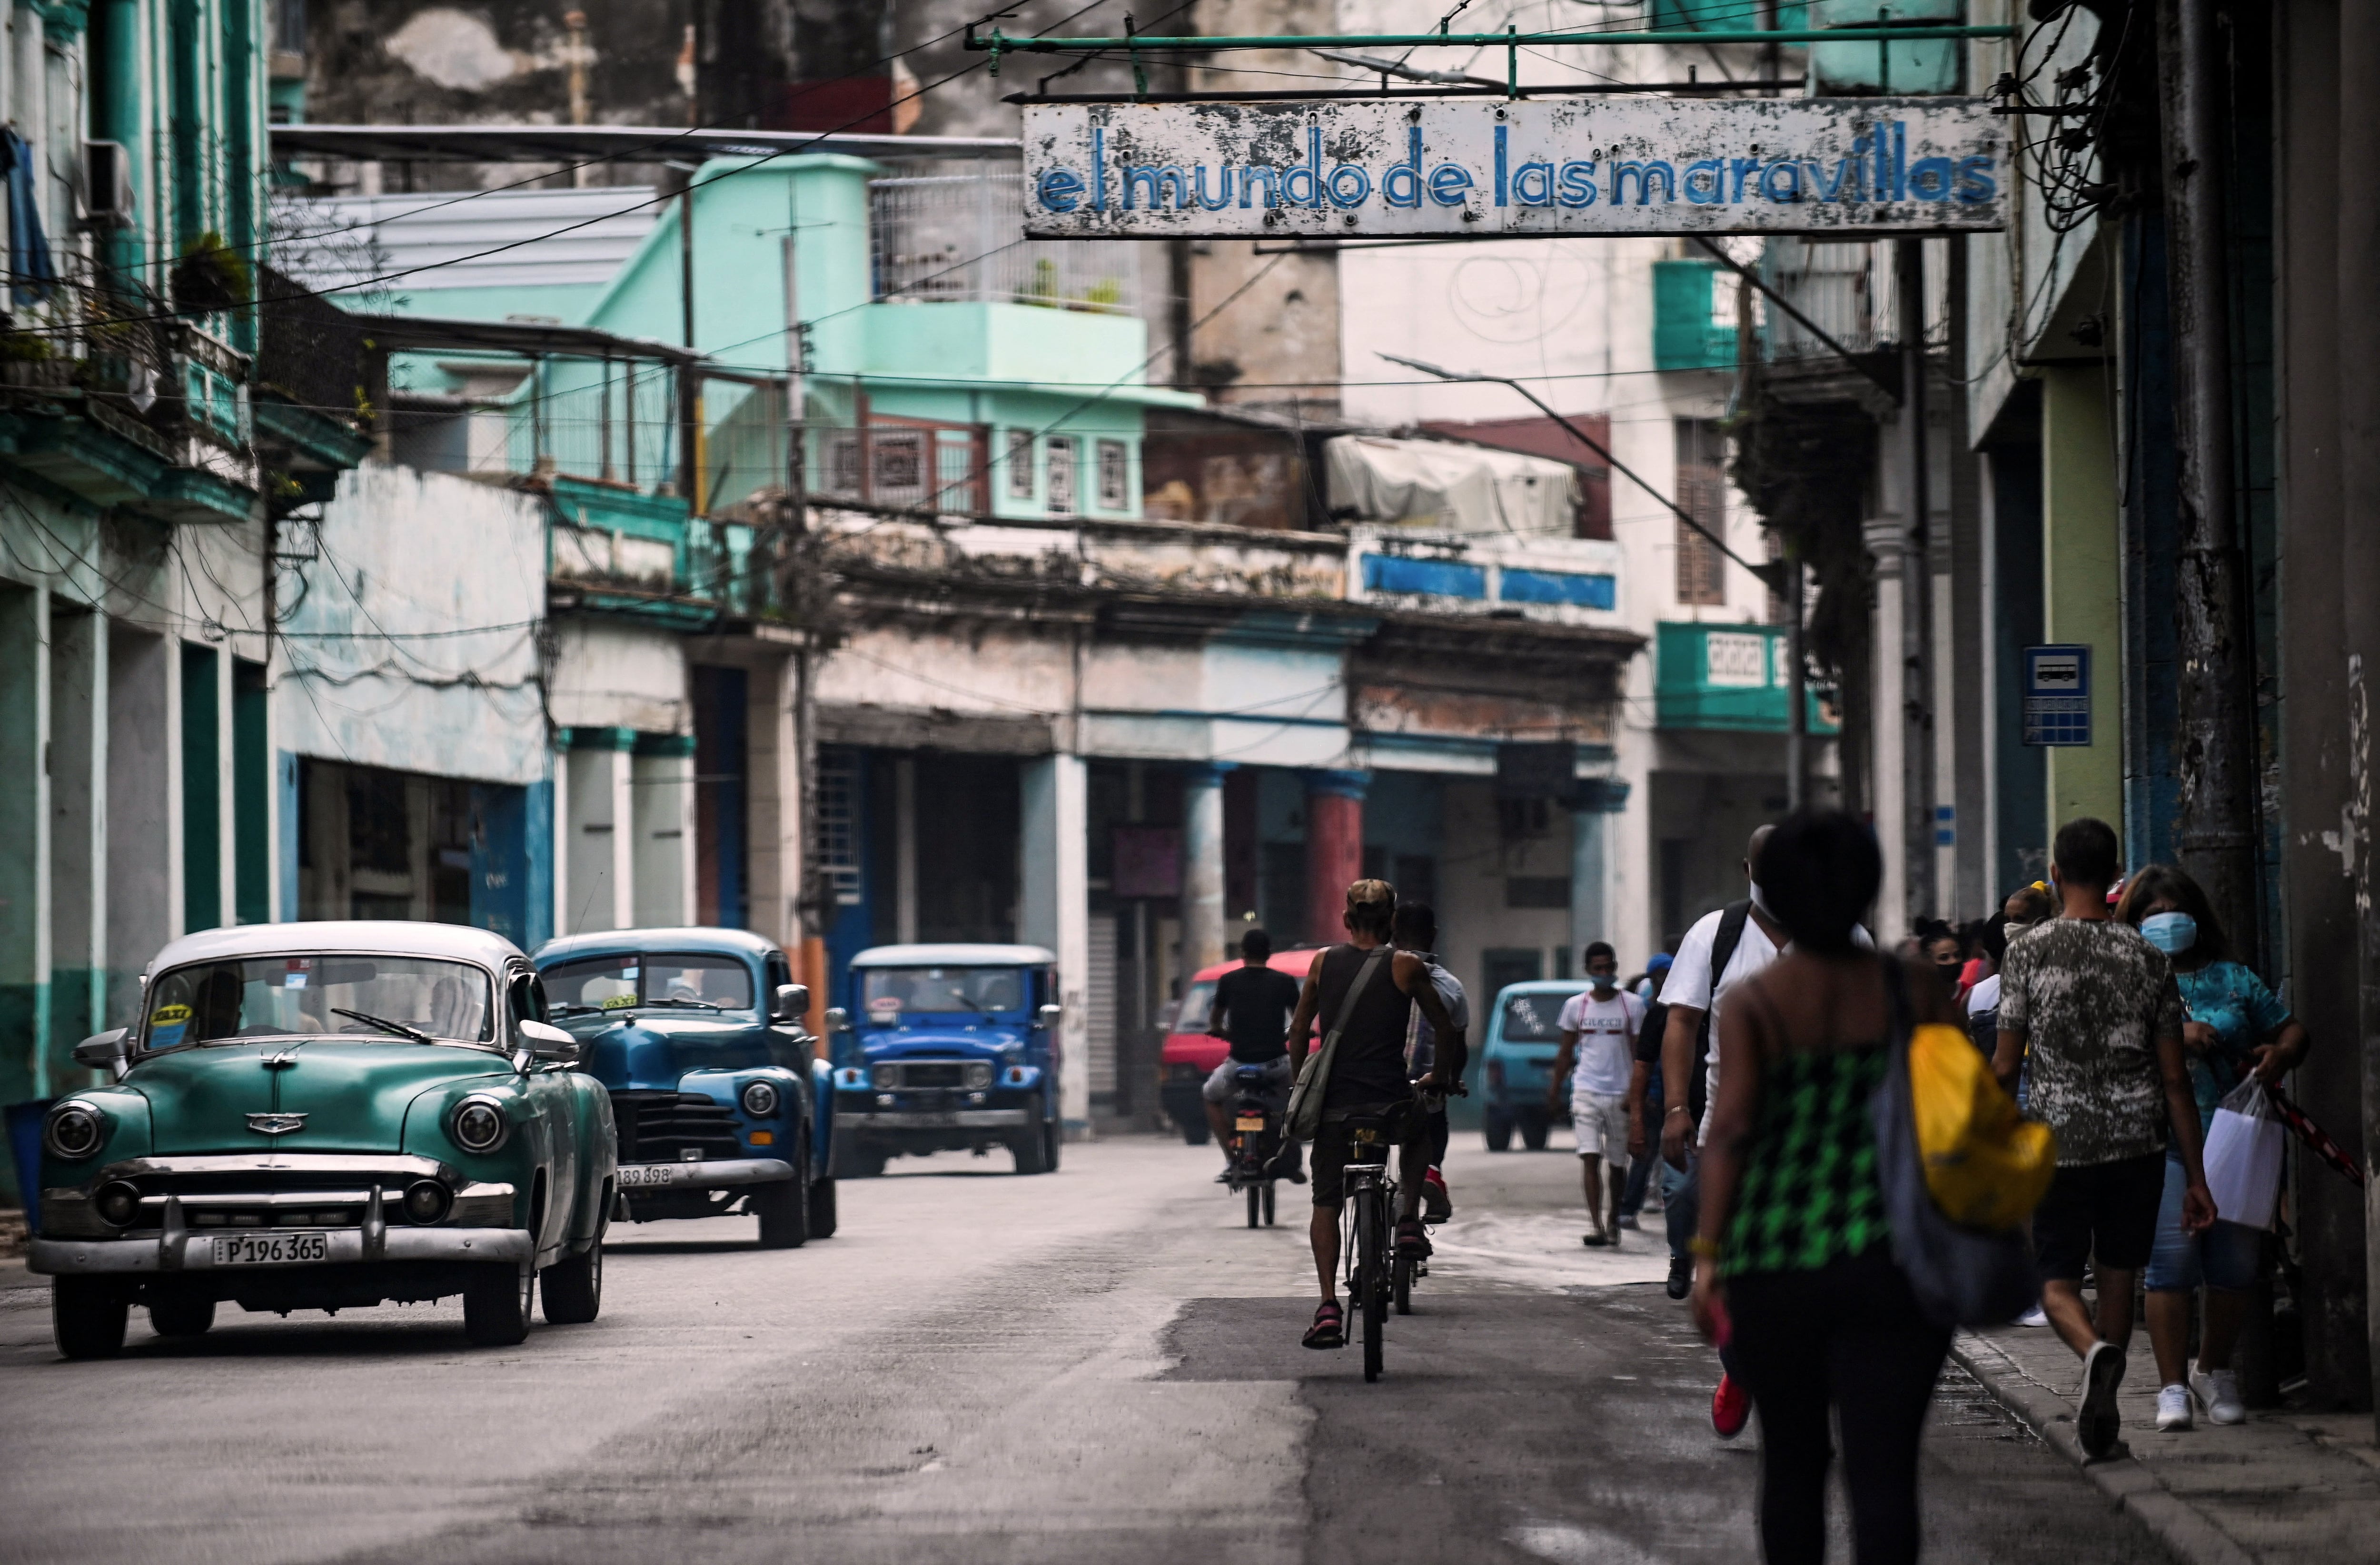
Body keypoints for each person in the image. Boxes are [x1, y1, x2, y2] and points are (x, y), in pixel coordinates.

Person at [1691, 809, 1963, 1565]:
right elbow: (1958, 1112)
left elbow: (1733, 1129)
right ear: (1867, 887)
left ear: (1768, 890)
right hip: (1898, 1262)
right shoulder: (1915, 988)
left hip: (1776, 1261)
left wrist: (1709, 1255)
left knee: (1793, 1465)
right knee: (1884, 1474)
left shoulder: (1755, 1002)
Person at [1994, 818, 2215, 1460]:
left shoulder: (2027, 953)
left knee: (2054, 1278)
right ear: (2116, 877)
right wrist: (2196, 1177)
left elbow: (2007, 1065)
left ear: (2056, 875)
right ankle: (2106, 1419)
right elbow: (2176, 1080)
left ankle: (2094, 1353)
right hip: (2137, 1144)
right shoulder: (2149, 959)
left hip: (2057, 1141)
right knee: (2121, 1274)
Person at [1659, 823, 1872, 1436]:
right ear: (1747, 872)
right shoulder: (1715, 936)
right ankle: (1741, 1366)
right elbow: (1680, 1023)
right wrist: (1676, 1107)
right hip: (1734, 1132)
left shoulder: (1845, 935)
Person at [2115, 864, 2311, 1431]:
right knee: (2169, 1265)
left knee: (2234, 1266)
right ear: (2134, 925)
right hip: (2158, 1141)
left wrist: (2280, 1055)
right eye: (2150, 915)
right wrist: (2179, 1037)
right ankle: (2171, 1387)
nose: (2165, 923)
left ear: (2196, 918)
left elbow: (2291, 1029)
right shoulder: (2129, 981)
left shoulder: (2234, 979)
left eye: (2173, 912)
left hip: (2232, 1140)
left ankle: (2213, 1369)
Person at [1287, 880, 1466, 1350]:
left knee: (1324, 1202)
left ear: (1346, 920)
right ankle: (1408, 1217)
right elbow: (1445, 1028)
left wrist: (1299, 1082)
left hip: (1334, 1109)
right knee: (1418, 1131)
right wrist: (1440, 1076)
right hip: (1388, 1101)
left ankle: (1327, 1305)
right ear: (1390, 923)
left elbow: (1298, 1030)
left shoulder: (1322, 963)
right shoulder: (1404, 965)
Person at [1547, 941, 1644, 1248]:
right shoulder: (1577, 1006)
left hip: (1621, 1094)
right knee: (1589, 1157)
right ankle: (1596, 1224)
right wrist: (1555, 1090)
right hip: (1586, 1089)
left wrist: (1637, 1095)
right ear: (1588, 970)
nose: (1604, 973)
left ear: (1615, 968)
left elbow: (1641, 1055)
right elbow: (1565, 1052)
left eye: (1608, 968)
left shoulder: (1632, 1005)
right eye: (1597, 968)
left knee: (1617, 1164)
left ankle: (1614, 1217)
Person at [1201, 927, 1306, 1180]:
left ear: (1242, 953)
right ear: (1269, 953)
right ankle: (1291, 1159)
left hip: (1238, 1065)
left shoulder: (1229, 981)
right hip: (1277, 1066)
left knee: (1210, 1095)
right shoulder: (1285, 981)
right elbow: (1300, 1022)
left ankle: (1231, 1159)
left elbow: (1215, 1021)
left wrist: (1222, 1032)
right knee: (1299, 1101)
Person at [1392, 902, 1468, 1223]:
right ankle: (1431, 1174)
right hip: (1425, 1084)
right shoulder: (1450, 986)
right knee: (1432, 1127)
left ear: (1393, 936)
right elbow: (1457, 1043)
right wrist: (1450, 1078)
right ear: (1433, 936)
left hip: (1375, 1081)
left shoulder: (1380, 976)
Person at [1617, 951, 1674, 1233]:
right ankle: (1627, 1209)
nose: (1664, 980)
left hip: (1679, 1095)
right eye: (1659, 975)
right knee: (1644, 1154)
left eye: (1668, 974)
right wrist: (1642, 1096)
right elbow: (1641, 1061)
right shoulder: (1645, 1012)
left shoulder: (1683, 1010)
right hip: (1653, 1094)